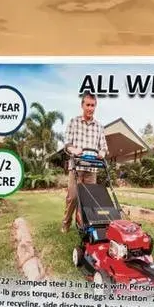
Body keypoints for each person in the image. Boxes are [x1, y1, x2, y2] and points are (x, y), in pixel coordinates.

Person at [61, 92, 108, 233]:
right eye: (87, 105)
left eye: (92, 105)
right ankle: (66, 223)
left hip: (92, 169)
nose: (90, 108)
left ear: (95, 107)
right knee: (73, 197)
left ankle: (84, 225)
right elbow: (67, 144)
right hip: (76, 167)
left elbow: (104, 147)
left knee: (89, 199)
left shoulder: (99, 127)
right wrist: (73, 149)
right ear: (82, 105)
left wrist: (102, 153)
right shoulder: (74, 122)